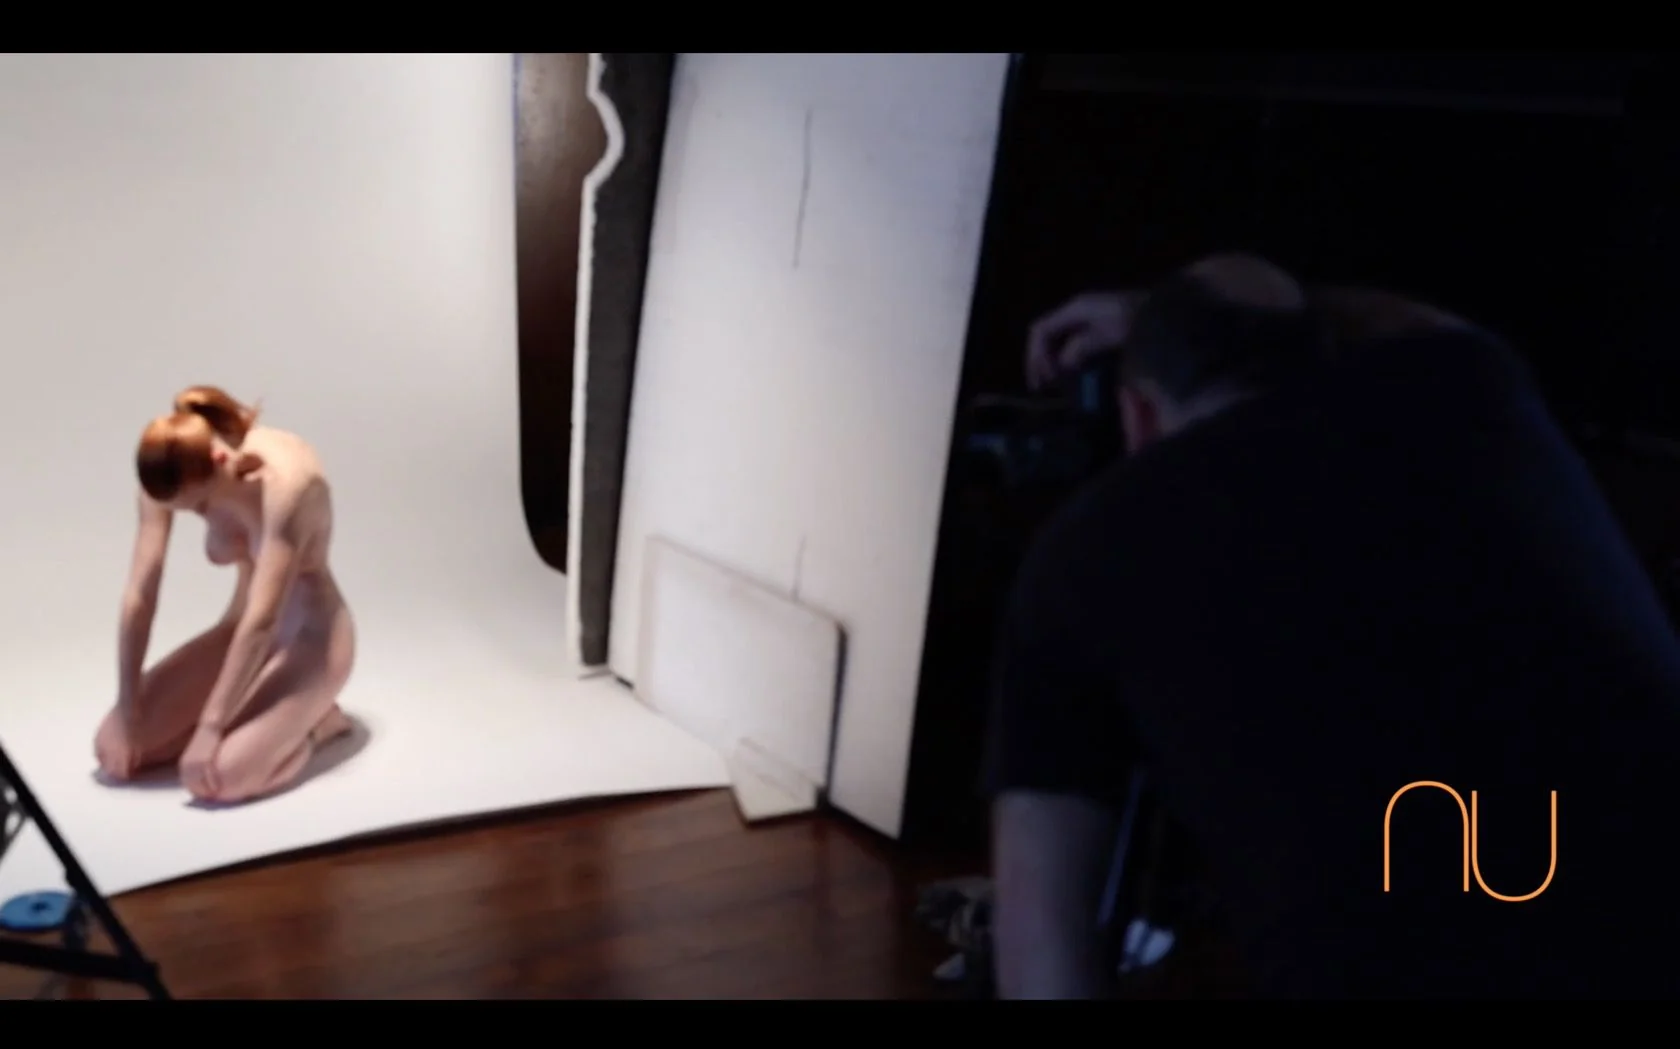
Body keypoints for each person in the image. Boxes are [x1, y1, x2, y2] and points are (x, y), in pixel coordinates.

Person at [986, 253, 1680, 999]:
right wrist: (1161, 312)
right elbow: (1413, 320)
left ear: (1138, 416)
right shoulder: (1473, 392)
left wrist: (1167, 326)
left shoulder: (1086, 548)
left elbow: (1042, 939)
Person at [94, 386, 357, 804]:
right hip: (237, 635)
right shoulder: (169, 469)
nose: (199, 516)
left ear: (220, 461)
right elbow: (141, 595)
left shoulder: (288, 484)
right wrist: (128, 708)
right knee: (113, 745)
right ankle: (254, 719)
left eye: (200, 507)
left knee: (223, 776)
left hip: (310, 641)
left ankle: (319, 725)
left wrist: (210, 729)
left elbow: (263, 619)